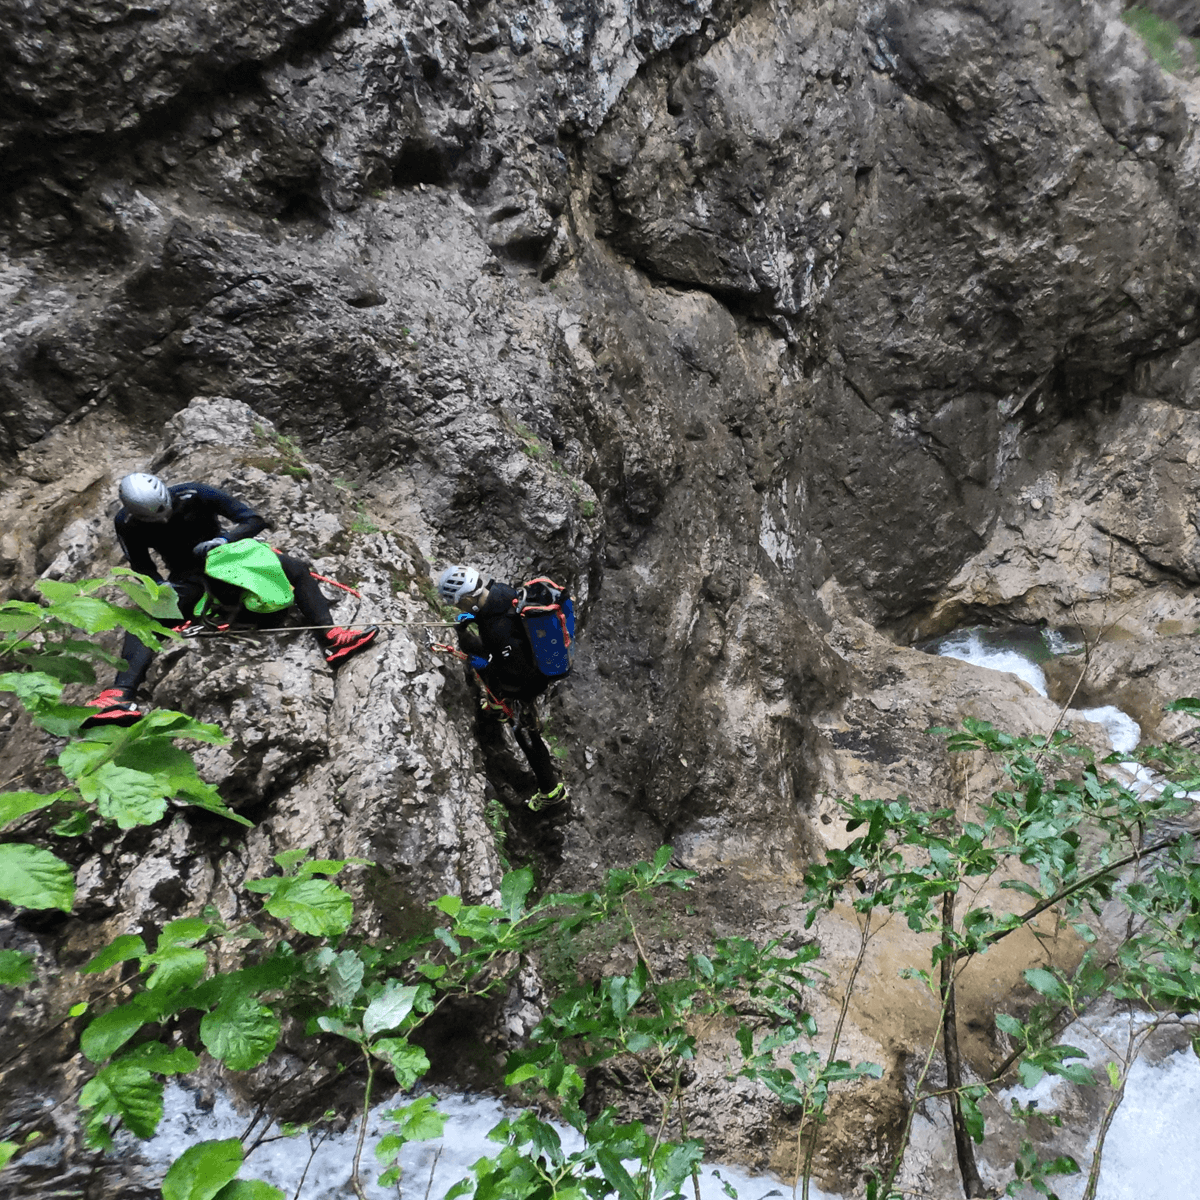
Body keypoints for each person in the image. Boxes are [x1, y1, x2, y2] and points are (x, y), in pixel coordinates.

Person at [83, 473, 378, 727]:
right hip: (189, 577)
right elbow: (141, 565)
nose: (163, 519)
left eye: (165, 511)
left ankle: (331, 636)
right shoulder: (128, 523)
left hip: (228, 557)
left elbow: (253, 519)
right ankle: (120, 694)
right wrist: (159, 587)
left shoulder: (196, 494)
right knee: (143, 618)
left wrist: (226, 540)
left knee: (297, 569)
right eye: (154, 518)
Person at [436, 564, 567, 809]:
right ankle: (497, 706)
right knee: (484, 659)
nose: (457, 608)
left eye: (459, 604)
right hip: (519, 659)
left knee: (525, 733)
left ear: (467, 598)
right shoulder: (499, 593)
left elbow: (506, 668)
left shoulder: (498, 630)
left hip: (526, 683)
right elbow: (498, 618)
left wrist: (474, 654)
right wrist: (475, 619)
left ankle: (551, 793)